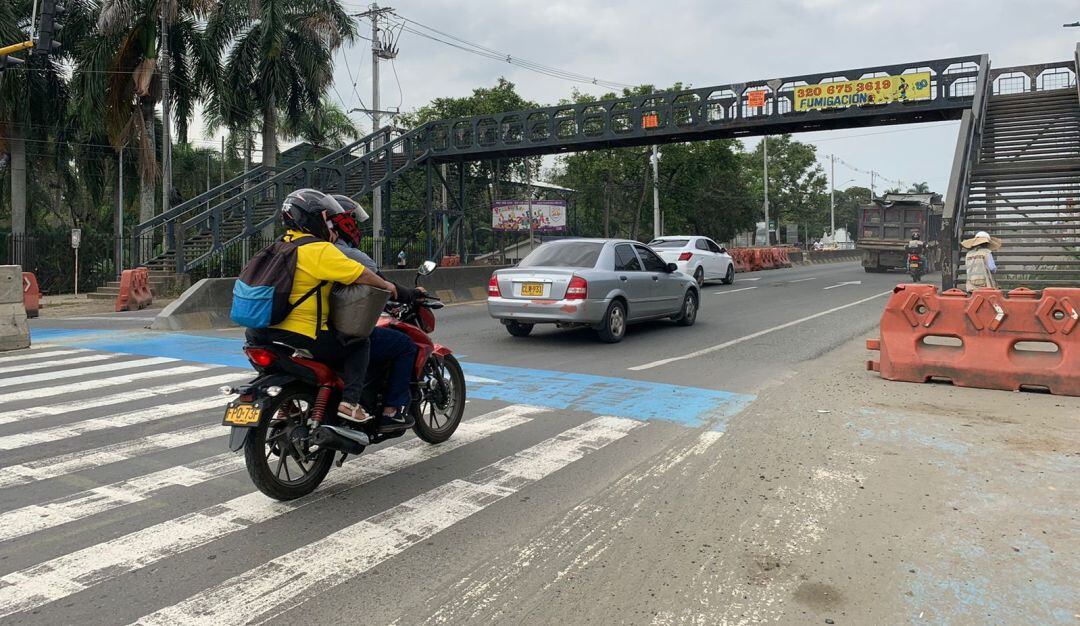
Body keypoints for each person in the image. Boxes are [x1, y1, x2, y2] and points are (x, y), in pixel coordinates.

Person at [247, 188, 398, 426]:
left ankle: (286, 407)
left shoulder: (275, 248)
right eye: (327, 219)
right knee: (359, 343)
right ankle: (350, 403)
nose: (329, 226)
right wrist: (391, 288)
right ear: (312, 218)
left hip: (258, 333)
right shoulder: (318, 249)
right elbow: (364, 275)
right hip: (302, 334)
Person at [328, 195, 420, 433]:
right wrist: (410, 293)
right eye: (353, 221)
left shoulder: (297, 248)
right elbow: (382, 284)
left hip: (286, 332)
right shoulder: (341, 253)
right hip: (331, 332)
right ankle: (392, 411)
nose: (357, 227)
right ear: (343, 223)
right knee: (404, 345)